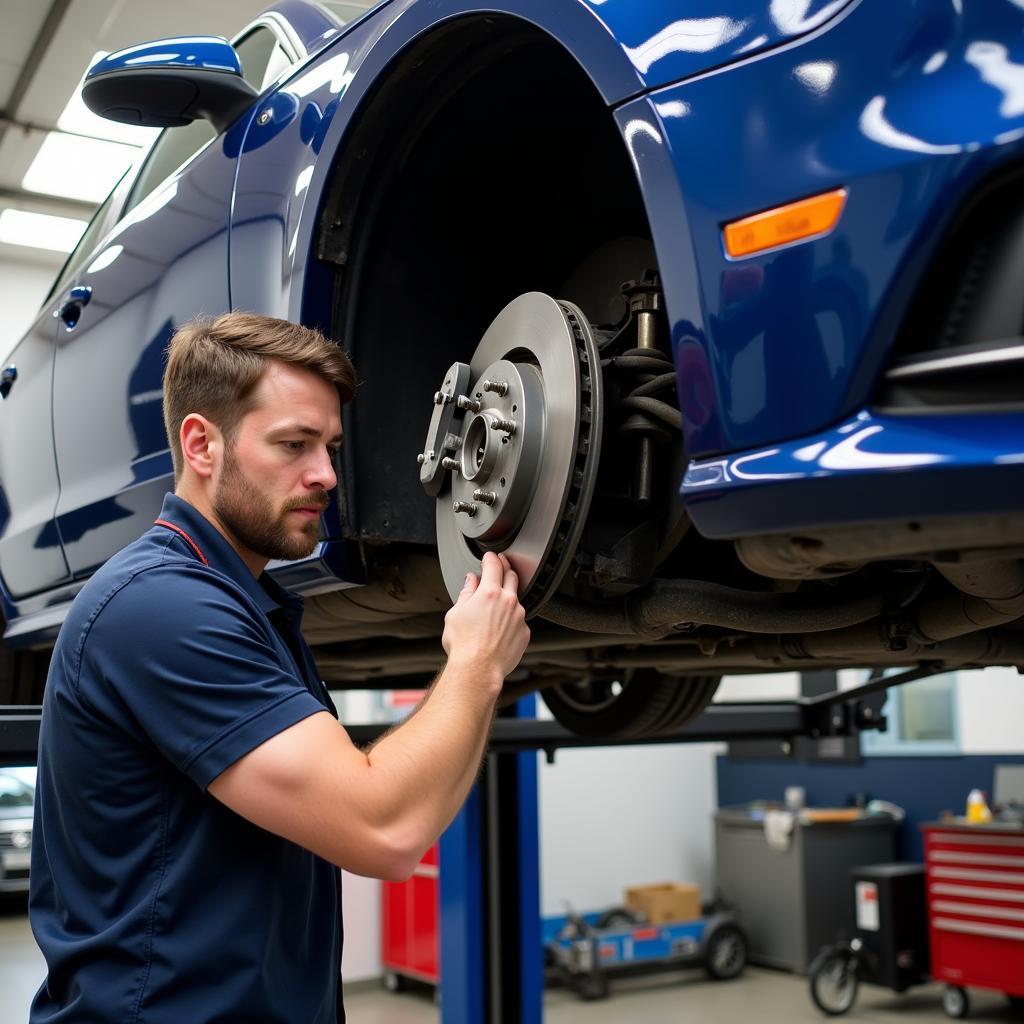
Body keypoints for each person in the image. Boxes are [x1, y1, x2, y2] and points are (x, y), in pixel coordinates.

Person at [29, 312, 530, 1023]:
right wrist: (477, 664)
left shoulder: (239, 601)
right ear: (201, 443)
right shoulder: (161, 608)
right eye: (293, 445)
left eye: (328, 445)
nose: (325, 474)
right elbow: (383, 827)